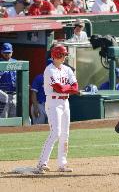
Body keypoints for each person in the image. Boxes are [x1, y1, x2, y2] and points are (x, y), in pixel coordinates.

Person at [36, 45, 79, 174]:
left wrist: (69, 89)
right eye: (62, 55)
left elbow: (75, 87)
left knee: (65, 134)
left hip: (65, 102)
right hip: (53, 102)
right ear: (55, 55)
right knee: (56, 133)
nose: (64, 57)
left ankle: (62, 164)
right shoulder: (49, 70)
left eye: (65, 55)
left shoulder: (67, 69)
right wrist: (69, 88)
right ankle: (42, 163)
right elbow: (58, 89)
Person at [0, 43, 17, 117]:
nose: (7, 54)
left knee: (14, 118)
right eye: (5, 52)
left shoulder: (16, 62)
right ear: (1, 52)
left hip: (14, 94)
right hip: (3, 94)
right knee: (3, 118)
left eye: (9, 52)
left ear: (12, 52)